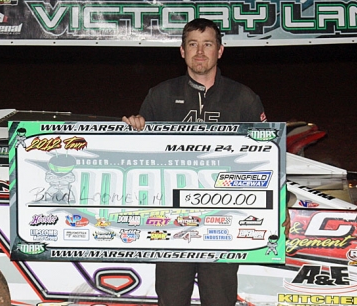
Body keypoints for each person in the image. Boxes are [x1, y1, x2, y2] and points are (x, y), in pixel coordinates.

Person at [123, 18, 290, 306]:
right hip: (171, 227)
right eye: (193, 45)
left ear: (220, 51)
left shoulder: (243, 98)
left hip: (223, 225)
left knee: (220, 301)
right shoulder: (161, 94)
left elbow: (267, 157)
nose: (200, 52)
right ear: (182, 51)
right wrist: (133, 128)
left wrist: (280, 205)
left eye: (208, 44)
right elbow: (139, 154)